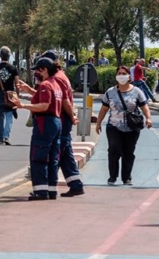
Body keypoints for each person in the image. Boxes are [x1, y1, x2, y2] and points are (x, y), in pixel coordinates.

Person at [13, 57, 63, 201]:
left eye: (38, 70)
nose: (36, 73)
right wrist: (29, 90)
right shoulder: (55, 84)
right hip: (56, 122)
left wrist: (23, 106)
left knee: (39, 157)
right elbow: (44, 99)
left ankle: (40, 191)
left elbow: (44, 105)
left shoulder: (45, 85)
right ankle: (51, 190)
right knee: (53, 158)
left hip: (45, 122)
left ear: (44, 70)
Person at [95, 65, 152, 186]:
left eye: (124, 73)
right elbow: (104, 109)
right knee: (114, 150)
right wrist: (98, 123)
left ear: (129, 76)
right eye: (119, 73)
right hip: (113, 126)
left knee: (128, 152)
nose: (121, 76)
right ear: (116, 76)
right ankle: (112, 177)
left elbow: (144, 106)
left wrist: (148, 118)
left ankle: (126, 177)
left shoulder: (137, 91)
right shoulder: (110, 92)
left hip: (131, 127)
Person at [39, 50, 84, 197]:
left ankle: (47, 187)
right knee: (65, 152)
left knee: (56, 153)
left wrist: (72, 116)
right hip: (63, 118)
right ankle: (75, 184)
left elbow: (64, 101)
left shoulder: (56, 79)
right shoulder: (61, 76)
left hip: (61, 118)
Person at [0, 46, 19, 145]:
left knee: (0, 115)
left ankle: (1, 137)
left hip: (0, 94)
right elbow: (17, 84)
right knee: (9, 115)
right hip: (10, 94)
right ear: (9, 56)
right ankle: (6, 136)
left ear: (0, 56)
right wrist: (17, 96)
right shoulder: (14, 68)